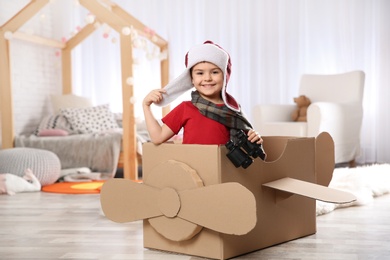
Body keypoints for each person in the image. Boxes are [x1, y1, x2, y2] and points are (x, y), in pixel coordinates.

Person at [143, 40, 264, 149]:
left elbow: (247, 143)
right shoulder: (185, 108)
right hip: (192, 170)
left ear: (225, 76)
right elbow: (158, 137)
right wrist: (146, 106)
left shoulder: (233, 110)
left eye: (215, 72)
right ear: (191, 79)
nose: (207, 78)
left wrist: (255, 138)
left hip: (223, 170)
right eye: (200, 73)